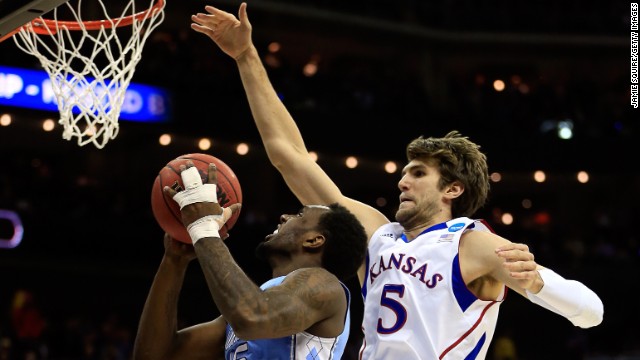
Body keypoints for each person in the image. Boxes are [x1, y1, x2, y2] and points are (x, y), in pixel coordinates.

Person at [190, 3, 605, 359]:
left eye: (418, 173)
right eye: (404, 173)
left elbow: (592, 312)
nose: (402, 183)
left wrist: (537, 283)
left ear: (453, 189)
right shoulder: (377, 234)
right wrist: (245, 55)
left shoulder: (473, 242)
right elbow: (288, 156)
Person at [132, 162, 368, 359]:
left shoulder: (325, 285)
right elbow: (153, 356)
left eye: (299, 215)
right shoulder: (254, 304)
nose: (284, 216)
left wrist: (203, 228)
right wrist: (174, 261)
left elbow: (252, 317)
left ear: (314, 240)